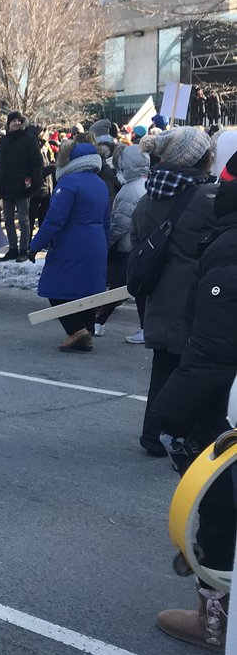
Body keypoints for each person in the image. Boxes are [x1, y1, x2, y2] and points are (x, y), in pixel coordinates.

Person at [151, 176, 237, 649]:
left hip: (226, 399)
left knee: (221, 501)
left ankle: (215, 617)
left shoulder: (228, 250)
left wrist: (170, 412)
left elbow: (213, 347)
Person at [131, 127, 217, 455]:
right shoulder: (208, 198)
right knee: (192, 365)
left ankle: (152, 434)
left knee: (164, 363)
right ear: (200, 158)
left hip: (159, 292)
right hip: (195, 294)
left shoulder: (150, 194)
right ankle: (185, 435)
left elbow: (136, 237)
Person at [28, 140, 110, 352]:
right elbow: (107, 219)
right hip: (96, 241)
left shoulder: (69, 184)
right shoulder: (99, 183)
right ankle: (87, 330)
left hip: (72, 242)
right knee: (87, 289)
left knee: (55, 287)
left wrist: (35, 245)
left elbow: (55, 220)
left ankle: (76, 330)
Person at [94, 144, 149, 338]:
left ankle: (143, 328)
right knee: (125, 288)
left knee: (124, 288)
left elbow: (120, 224)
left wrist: (106, 244)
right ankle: (99, 322)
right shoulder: (146, 185)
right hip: (140, 246)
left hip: (126, 248)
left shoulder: (128, 191)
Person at [0, 111, 43, 261]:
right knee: (8, 220)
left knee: (24, 220)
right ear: (8, 123)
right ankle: (12, 248)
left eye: (19, 121)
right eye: (13, 121)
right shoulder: (3, 141)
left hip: (23, 186)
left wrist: (35, 181)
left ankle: (24, 249)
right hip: (6, 186)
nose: (16, 123)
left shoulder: (29, 140)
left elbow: (36, 162)